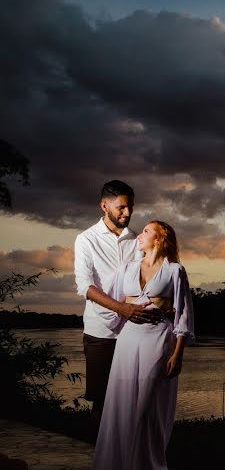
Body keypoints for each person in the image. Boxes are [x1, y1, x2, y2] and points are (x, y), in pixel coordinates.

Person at [89, 220, 194, 470]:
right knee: (122, 403)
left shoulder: (175, 271)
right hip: (128, 339)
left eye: (147, 231)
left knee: (148, 405)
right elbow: (115, 302)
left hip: (158, 338)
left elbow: (183, 313)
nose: (140, 234)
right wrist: (123, 311)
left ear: (160, 239)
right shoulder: (127, 268)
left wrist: (178, 353)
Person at [74, 180, 159, 426]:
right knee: (101, 404)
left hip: (134, 331)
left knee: (132, 401)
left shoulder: (137, 240)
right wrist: (121, 308)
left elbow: (148, 278)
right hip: (100, 331)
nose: (128, 213)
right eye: (121, 207)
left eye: (130, 207)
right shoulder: (86, 240)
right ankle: (99, 458)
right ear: (104, 206)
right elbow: (84, 286)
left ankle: (127, 457)